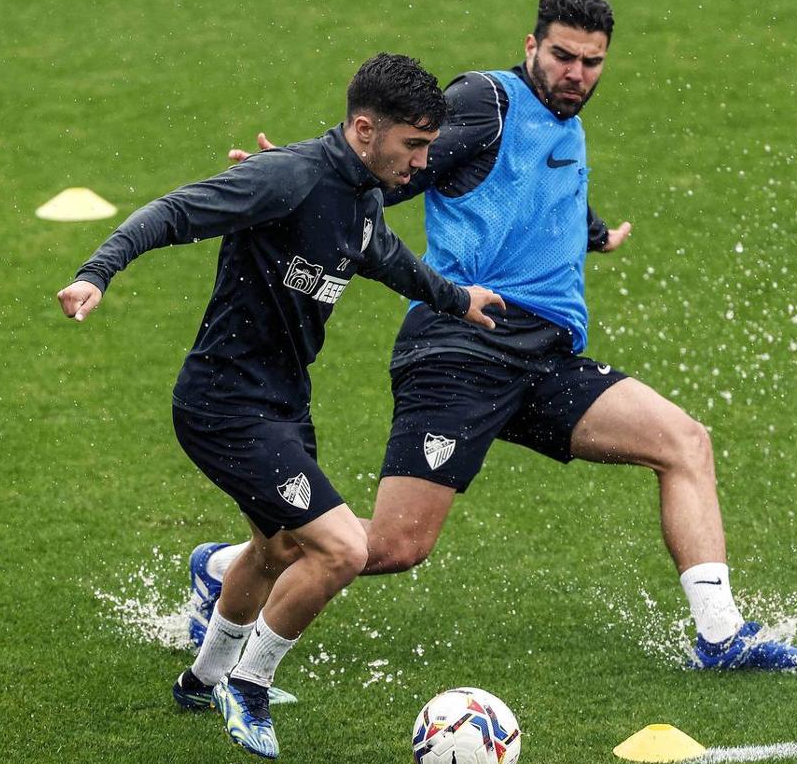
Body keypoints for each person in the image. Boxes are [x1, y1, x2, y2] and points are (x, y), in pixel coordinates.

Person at [194, 0, 797, 672]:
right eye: (562, 56)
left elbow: (552, 187)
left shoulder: (565, 124)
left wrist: (595, 234)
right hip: (461, 349)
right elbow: (391, 169)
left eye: (592, 61)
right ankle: (230, 568)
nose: (576, 72)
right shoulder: (485, 105)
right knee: (398, 546)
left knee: (684, 442)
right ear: (531, 46)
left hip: (544, 356)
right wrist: (295, 171)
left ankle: (721, 636)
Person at [56, 53, 505, 759]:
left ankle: (202, 680)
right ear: (365, 128)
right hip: (223, 404)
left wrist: (458, 299)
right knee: (343, 548)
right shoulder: (287, 177)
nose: (423, 163)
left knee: (277, 549)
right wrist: (96, 273)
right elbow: (176, 211)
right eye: (414, 145)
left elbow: (388, 259)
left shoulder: (361, 195)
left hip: (281, 404)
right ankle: (250, 683)